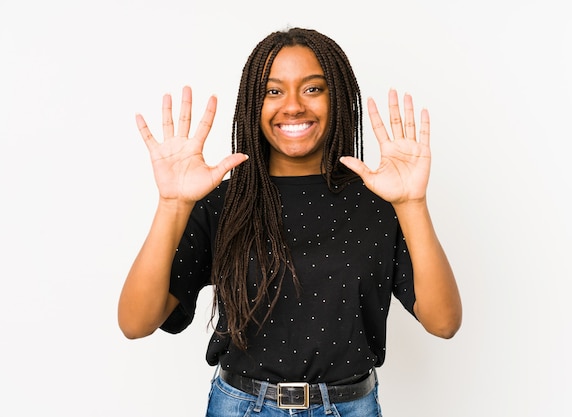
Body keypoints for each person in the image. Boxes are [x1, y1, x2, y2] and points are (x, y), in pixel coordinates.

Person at [118, 27, 462, 416]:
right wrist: (172, 203)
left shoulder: (381, 200)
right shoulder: (222, 200)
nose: (294, 106)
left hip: (349, 407)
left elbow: (444, 322)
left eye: (313, 89)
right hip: (241, 407)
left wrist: (413, 203)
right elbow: (135, 322)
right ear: (252, 103)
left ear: (338, 99)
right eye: (273, 91)